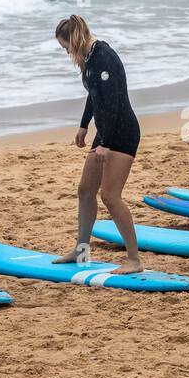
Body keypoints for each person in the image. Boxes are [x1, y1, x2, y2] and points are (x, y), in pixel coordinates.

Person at [52, 15, 143, 274]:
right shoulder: (89, 58)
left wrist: (105, 142)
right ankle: (81, 251)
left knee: (110, 196)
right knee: (85, 190)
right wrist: (84, 125)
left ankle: (134, 260)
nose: (67, 51)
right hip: (105, 132)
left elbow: (112, 102)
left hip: (122, 133)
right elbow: (95, 97)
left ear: (75, 38)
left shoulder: (103, 56)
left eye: (66, 46)